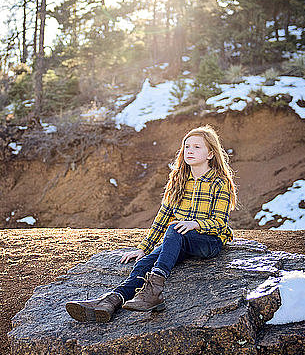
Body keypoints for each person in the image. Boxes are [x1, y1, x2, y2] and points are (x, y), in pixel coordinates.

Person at [65, 124, 237, 323]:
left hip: (208, 242)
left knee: (175, 228)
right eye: (187, 146)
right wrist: (143, 248)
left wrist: (195, 224)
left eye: (197, 147)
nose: (190, 151)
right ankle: (111, 301)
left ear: (210, 154)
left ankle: (154, 292)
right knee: (145, 263)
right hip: (179, 240)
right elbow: (162, 218)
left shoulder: (219, 182)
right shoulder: (179, 180)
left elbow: (220, 222)